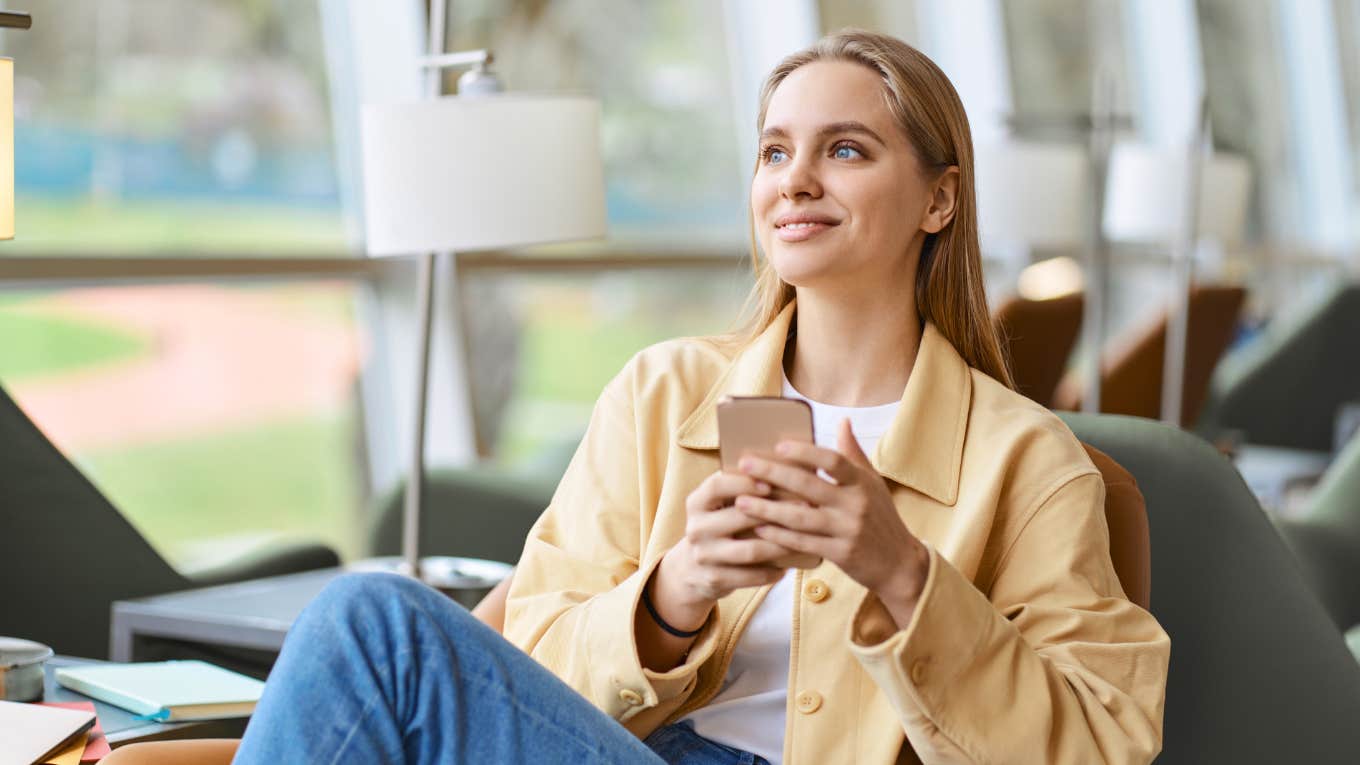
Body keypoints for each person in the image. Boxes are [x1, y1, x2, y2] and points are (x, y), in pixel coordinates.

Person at [235, 30, 1169, 765]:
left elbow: (1099, 741)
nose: (794, 180)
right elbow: (529, 657)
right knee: (371, 620)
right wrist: (672, 596)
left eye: (844, 150)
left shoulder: (1027, 459)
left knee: (373, 622)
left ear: (940, 200)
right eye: (773, 152)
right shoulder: (661, 391)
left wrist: (904, 574)